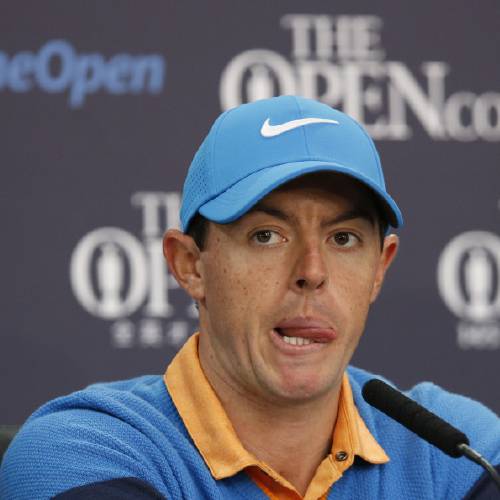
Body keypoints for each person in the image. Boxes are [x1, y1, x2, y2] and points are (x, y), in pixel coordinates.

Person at [1, 96, 499, 499]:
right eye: (267, 235)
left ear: (379, 269)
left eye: (343, 238)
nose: (311, 272)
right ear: (190, 265)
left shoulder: (458, 452)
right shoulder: (82, 452)